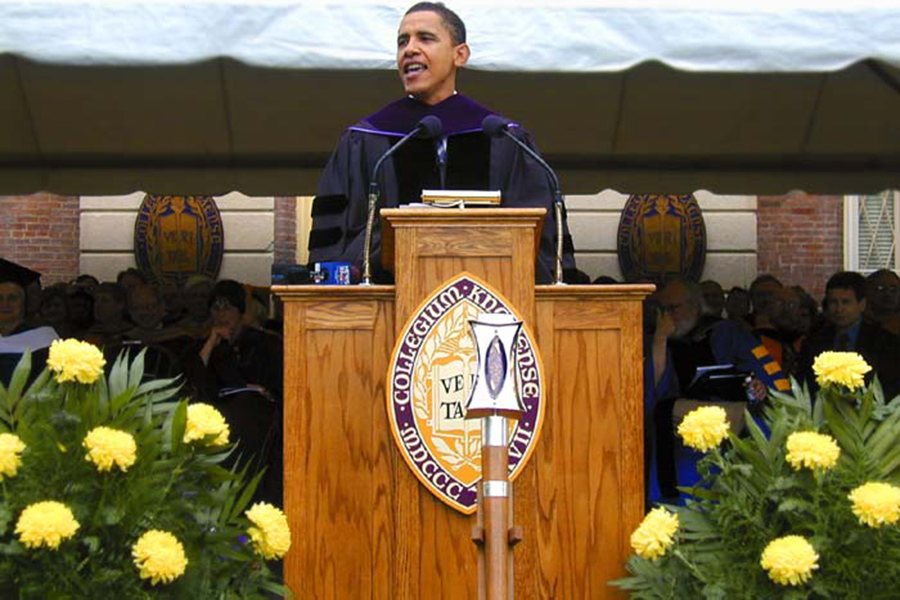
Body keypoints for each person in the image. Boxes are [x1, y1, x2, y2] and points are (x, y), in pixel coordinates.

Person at [307, 2, 576, 283]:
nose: (409, 49)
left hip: (494, 305)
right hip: (386, 307)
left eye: (425, 38)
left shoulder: (504, 138)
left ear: (460, 55)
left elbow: (540, 243)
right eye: (402, 41)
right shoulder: (364, 139)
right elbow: (334, 244)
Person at [645, 277, 790, 503]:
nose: (667, 316)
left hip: (729, 434)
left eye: (673, 308)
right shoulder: (656, 341)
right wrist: (660, 339)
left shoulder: (728, 332)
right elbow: (651, 393)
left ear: (694, 305)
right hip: (679, 443)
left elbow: (771, 379)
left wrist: (756, 388)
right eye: (661, 310)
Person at [184, 280, 283, 504]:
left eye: (227, 308)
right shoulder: (201, 346)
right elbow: (193, 383)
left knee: (245, 416)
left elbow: (280, 386)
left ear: (240, 312)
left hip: (257, 414)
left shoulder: (265, 343)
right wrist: (211, 343)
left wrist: (264, 390)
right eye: (216, 308)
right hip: (217, 411)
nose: (221, 315)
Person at [799, 271, 900, 400]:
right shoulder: (813, 342)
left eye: (846, 302)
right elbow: (805, 387)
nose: (839, 309)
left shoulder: (886, 342)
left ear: (862, 304)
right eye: (833, 302)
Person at [0, 259, 56, 385]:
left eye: (12, 298)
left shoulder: (43, 338)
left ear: (23, 303)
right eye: (0, 298)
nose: (5, 304)